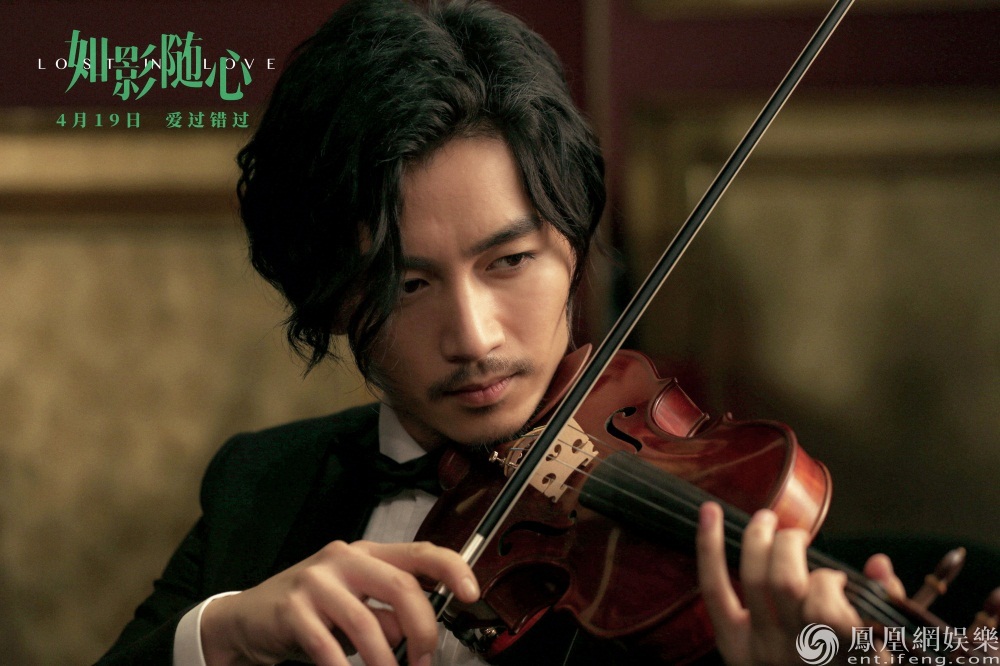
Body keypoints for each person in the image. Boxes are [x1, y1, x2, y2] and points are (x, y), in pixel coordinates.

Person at [97, 1, 905, 664]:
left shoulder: (701, 572)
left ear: (573, 241)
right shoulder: (259, 484)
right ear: (332, 297)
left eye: (510, 260)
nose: (474, 337)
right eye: (408, 284)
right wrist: (223, 636)